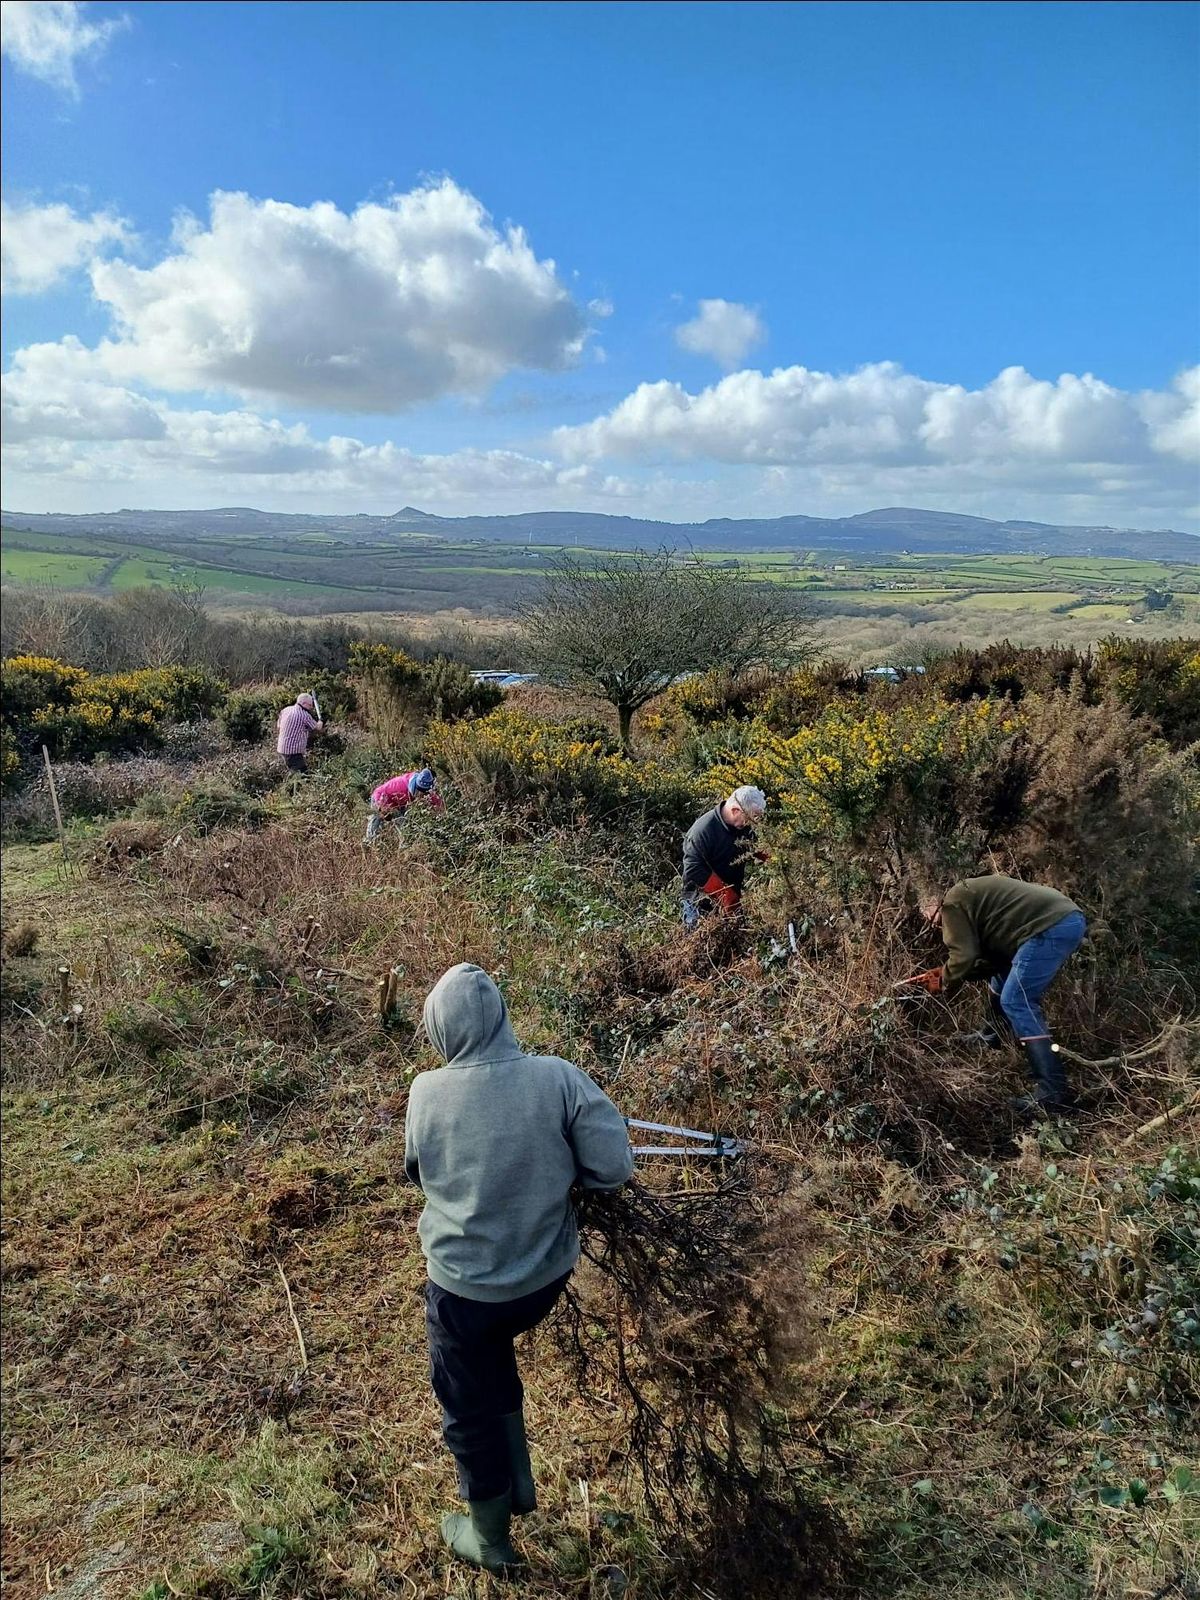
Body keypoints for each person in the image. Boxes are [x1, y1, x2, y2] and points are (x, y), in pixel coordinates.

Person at [405, 963, 633, 1573]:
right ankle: (521, 1487)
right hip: (542, 1283)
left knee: (466, 1404)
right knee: (494, 1350)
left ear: (438, 1029)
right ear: (503, 1016)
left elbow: (417, 1171)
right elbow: (613, 1168)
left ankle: (490, 1538)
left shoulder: (425, 1092)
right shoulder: (556, 1078)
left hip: (463, 1293)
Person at [902, 874, 1088, 1111]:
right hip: (1062, 918)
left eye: (928, 917)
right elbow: (987, 958)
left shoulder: (951, 904)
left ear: (930, 905)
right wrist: (952, 972)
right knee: (1001, 978)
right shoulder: (967, 894)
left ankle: (1053, 1092)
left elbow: (964, 957)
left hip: (1051, 927)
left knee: (1017, 1000)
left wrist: (942, 978)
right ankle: (992, 1038)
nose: (934, 924)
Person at [681, 785, 768, 930]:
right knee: (700, 946)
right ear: (735, 811)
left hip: (732, 900)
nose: (753, 823)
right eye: (750, 818)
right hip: (699, 902)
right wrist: (725, 894)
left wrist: (778, 859)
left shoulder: (745, 826)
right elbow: (693, 869)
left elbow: (758, 845)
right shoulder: (703, 831)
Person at [363, 767, 443, 843]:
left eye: (425, 792)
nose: (422, 794)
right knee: (374, 826)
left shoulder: (427, 788)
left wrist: (441, 813)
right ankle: (368, 845)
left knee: (405, 828)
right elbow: (379, 793)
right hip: (380, 799)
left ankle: (406, 848)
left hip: (399, 804)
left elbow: (436, 802)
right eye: (420, 790)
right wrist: (383, 808)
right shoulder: (401, 786)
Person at [275, 692, 323, 774]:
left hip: (282, 748)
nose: (311, 707)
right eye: (310, 705)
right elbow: (317, 728)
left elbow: (278, 726)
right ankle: (293, 785)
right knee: (302, 774)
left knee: (294, 770)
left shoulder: (286, 710)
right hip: (293, 752)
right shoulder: (304, 715)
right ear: (304, 703)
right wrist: (321, 720)